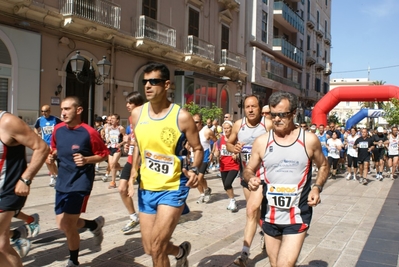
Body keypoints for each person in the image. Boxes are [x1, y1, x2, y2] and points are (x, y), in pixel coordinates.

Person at [129, 63, 203, 267]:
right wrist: (131, 175)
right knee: (149, 247)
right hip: (146, 188)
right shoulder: (137, 115)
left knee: (158, 245)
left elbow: (198, 149)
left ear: (167, 84)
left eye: (154, 81)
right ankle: (180, 252)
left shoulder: (182, 117)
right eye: (145, 82)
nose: (148, 86)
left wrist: (196, 170)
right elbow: (138, 146)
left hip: (173, 187)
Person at [244, 91, 329, 267]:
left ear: (293, 113)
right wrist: (251, 177)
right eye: (273, 115)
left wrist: (317, 187)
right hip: (270, 214)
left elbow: (323, 166)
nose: (277, 119)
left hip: (298, 213)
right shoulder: (262, 142)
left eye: (282, 115)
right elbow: (249, 169)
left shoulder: (309, 140)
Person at [47, 96, 109, 267]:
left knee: (67, 224)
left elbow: (104, 154)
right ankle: (93, 224)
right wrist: (51, 157)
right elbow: (54, 148)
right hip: (62, 181)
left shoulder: (89, 132)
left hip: (80, 183)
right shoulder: (58, 129)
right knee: (62, 225)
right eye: (62, 109)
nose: (63, 113)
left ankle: (73, 261)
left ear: (79, 110)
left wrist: (87, 160)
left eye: (67, 109)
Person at [0, 111, 49, 266]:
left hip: (8, 190)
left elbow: (41, 148)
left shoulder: (8, 122)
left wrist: (25, 178)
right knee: (2, 246)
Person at [226, 95, 270, 266]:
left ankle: (250, 249)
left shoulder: (267, 124)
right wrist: (234, 147)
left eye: (254, 106)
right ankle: (257, 242)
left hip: (265, 177)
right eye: (247, 107)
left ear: (260, 108)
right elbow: (229, 143)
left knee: (256, 212)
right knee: (253, 212)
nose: (251, 110)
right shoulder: (239, 124)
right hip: (246, 175)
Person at [118, 91, 144, 234]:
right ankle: (134, 217)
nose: (127, 105)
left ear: (138, 105)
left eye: (130, 103)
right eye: (127, 102)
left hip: (143, 162)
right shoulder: (130, 119)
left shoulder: (145, 119)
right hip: (130, 159)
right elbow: (133, 139)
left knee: (143, 193)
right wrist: (128, 142)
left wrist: (134, 141)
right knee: (122, 188)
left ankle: (149, 218)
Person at [213, 120, 240, 211]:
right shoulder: (220, 140)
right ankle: (232, 200)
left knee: (228, 183)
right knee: (225, 186)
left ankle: (232, 201)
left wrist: (236, 154)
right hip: (223, 166)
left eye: (228, 128)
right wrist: (216, 154)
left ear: (232, 128)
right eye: (225, 128)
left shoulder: (236, 139)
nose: (226, 130)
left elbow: (241, 150)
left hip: (234, 166)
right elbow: (217, 150)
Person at [34, 104, 62, 186]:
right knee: (48, 162)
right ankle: (54, 176)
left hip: (54, 144)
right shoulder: (40, 120)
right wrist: (37, 135)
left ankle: (57, 176)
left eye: (45, 111)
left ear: (49, 111)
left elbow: (64, 126)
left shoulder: (55, 119)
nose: (43, 113)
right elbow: (35, 128)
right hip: (45, 145)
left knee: (52, 161)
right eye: (42, 111)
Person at [194, 113, 218, 203]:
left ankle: (207, 190)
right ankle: (202, 194)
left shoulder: (207, 131)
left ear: (201, 122)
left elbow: (216, 141)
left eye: (196, 122)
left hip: (204, 156)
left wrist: (212, 153)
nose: (194, 124)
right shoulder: (191, 131)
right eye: (193, 122)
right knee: (196, 178)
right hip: (194, 156)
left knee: (200, 177)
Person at [103, 114, 125, 189]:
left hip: (117, 149)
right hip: (110, 148)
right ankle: (124, 169)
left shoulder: (121, 128)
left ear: (117, 120)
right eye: (111, 118)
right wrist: (107, 141)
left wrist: (121, 144)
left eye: (113, 118)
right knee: (112, 165)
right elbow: (108, 138)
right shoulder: (109, 128)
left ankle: (113, 182)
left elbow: (125, 138)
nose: (111, 120)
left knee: (113, 164)